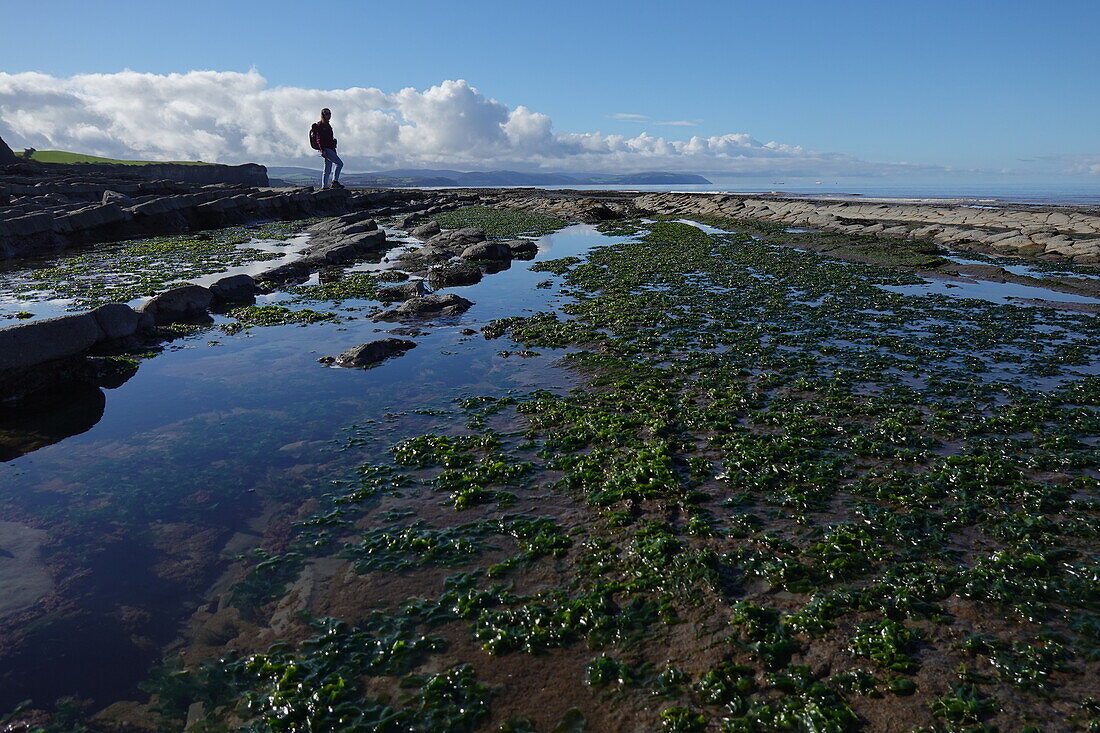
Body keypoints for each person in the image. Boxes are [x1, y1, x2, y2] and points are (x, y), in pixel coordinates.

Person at [311, 108, 343, 189]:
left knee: (327, 169)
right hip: (326, 149)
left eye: (329, 113)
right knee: (339, 164)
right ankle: (334, 182)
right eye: (326, 114)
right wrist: (323, 150)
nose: (329, 115)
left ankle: (324, 186)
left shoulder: (327, 125)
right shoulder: (321, 125)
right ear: (323, 115)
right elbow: (319, 139)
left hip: (329, 149)